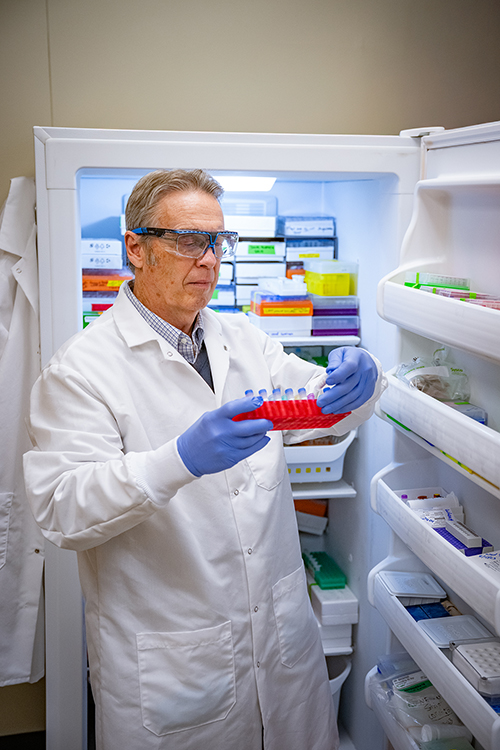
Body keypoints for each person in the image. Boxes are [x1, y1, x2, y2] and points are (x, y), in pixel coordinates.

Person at [23, 169, 386, 750]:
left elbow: (324, 407)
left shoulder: (246, 340)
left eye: (218, 242)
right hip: (175, 662)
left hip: (281, 641)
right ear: (135, 248)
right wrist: (179, 461)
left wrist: (358, 382)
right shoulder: (80, 371)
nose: (210, 259)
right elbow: (63, 510)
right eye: (189, 241)